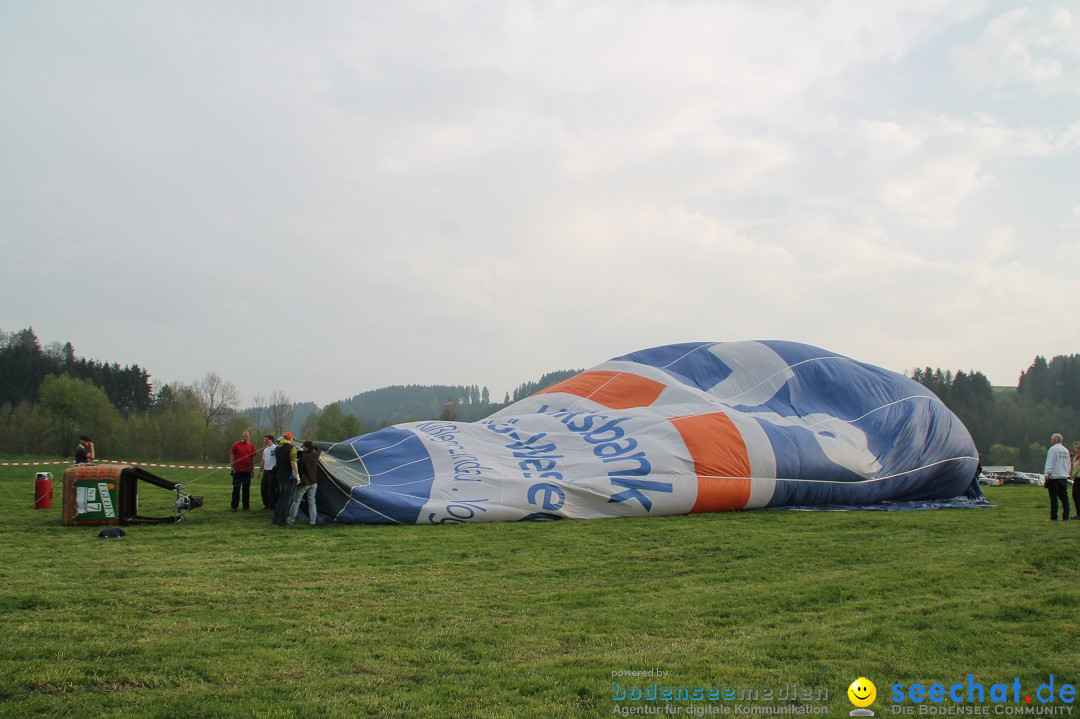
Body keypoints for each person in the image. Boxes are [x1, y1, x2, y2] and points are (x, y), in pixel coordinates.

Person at [288, 440, 321, 526]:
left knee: (296, 501)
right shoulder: (315, 455)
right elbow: (319, 450)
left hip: (304, 482)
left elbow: (298, 468)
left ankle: (291, 520)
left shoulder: (303, 457)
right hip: (313, 482)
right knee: (312, 502)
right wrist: (314, 446)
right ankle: (312, 521)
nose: (302, 447)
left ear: (307, 447)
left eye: (303, 446)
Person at [271, 432, 300, 527]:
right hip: (289, 476)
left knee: (281, 497)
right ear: (290, 439)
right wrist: (297, 474)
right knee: (287, 499)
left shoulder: (277, 448)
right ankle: (282, 520)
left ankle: (275, 518)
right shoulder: (292, 448)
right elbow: (293, 462)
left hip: (279, 475)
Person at [1044, 433, 1071, 521]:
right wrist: (1068, 473)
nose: (1050, 441)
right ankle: (1066, 515)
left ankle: (1054, 516)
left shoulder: (1053, 449)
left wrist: (1047, 474)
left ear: (1055, 440)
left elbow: (1050, 462)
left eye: (1051, 439)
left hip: (1055, 476)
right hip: (1064, 476)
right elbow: (1068, 463)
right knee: (1064, 498)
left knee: (1053, 498)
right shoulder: (1065, 450)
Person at [229, 430, 257, 512]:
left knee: (246, 490)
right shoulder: (236, 444)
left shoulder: (251, 446)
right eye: (243, 436)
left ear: (249, 437)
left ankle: (246, 507)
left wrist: (252, 470)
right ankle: (234, 506)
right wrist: (232, 468)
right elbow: (232, 456)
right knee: (236, 489)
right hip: (237, 470)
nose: (245, 437)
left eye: (246, 436)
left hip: (247, 471)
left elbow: (252, 459)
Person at [259, 434, 278, 511]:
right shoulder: (265, 450)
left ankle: (272, 505)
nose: (265, 441)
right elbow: (263, 461)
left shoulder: (276, 448)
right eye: (264, 440)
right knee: (263, 488)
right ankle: (266, 504)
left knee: (272, 489)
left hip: (272, 471)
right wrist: (260, 471)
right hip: (266, 471)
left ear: (271, 440)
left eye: (266, 440)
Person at [1072, 440, 1080, 520]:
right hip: (1076, 479)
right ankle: (1078, 513)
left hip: (1078, 478)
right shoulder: (1076, 457)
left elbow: (1076, 469)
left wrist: (1071, 475)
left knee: (1077, 496)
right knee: (1075, 496)